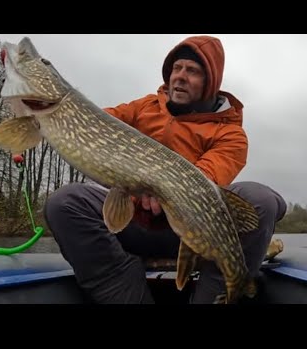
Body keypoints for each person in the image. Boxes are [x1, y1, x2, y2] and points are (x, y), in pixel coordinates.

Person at [44, 35, 287, 304]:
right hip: (133, 226)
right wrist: (43, 117)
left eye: (192, 71)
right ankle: (127, 291)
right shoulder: (143, 107)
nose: (180, 77)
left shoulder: (230, 133)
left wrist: (162, 190)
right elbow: (94, 122)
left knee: (260, 199)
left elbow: (203, 180)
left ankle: (222, 288)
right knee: (65, 202)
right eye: (177, 68)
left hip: (194, 234)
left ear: (210, 82)